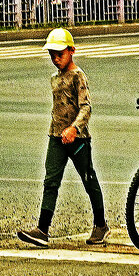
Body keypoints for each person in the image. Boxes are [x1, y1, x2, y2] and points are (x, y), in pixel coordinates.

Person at [17, 28, 109, 248]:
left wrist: (74, 129)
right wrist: (58, 131)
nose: (56, 59)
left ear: (72, 51)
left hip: (77, 140)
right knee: (51, 182)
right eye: (52, 55)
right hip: (57, 137)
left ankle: (101, 224)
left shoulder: (78, 76)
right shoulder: (54, 79)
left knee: (89, 180)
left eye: (60, 54)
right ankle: (42, 229)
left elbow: (86, 107)